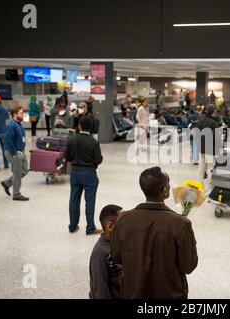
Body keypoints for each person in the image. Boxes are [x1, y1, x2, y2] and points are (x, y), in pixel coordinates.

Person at [111, 167, 198, 299]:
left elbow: (116, 257)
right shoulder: (180, 223)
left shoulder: (124, 220)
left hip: (133, 293)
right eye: (168, 185)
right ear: (164, 190)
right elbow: (189, 265)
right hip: (169, 294)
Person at [66, 117, 104, 236]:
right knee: (90, 201)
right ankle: (90, 228)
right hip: (89, 174)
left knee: (74, 200)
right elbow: (98, 160)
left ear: (80, 126)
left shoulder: (71, 139)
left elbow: (68, 158)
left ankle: (72, 226)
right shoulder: (93, 142)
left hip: (75, 173)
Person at [89, 205, 124, 299]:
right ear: (110, 226)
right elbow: (100, 291)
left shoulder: (120, 244)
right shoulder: (100, 254)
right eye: (123, 224)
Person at [0, 106, 29, 201]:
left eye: (22, 113)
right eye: (21, 113)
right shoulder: (11, 125)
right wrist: (14, 153)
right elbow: (8, 140)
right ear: (15, 115)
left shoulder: (18, 124)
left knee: (24, 170)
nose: (23, 115)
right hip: (14, 152)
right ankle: (16, 194)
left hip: (21, 151)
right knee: (17, 173)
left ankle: (7, 183)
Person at [196, 105, 221, 187]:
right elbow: (216, 137)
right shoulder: (213, 123)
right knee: (210, 167)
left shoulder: (201, 119)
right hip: (210, 148)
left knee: (201, 167)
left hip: (201, 146)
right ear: (213, 112)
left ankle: (199, 185)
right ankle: (210, 185)